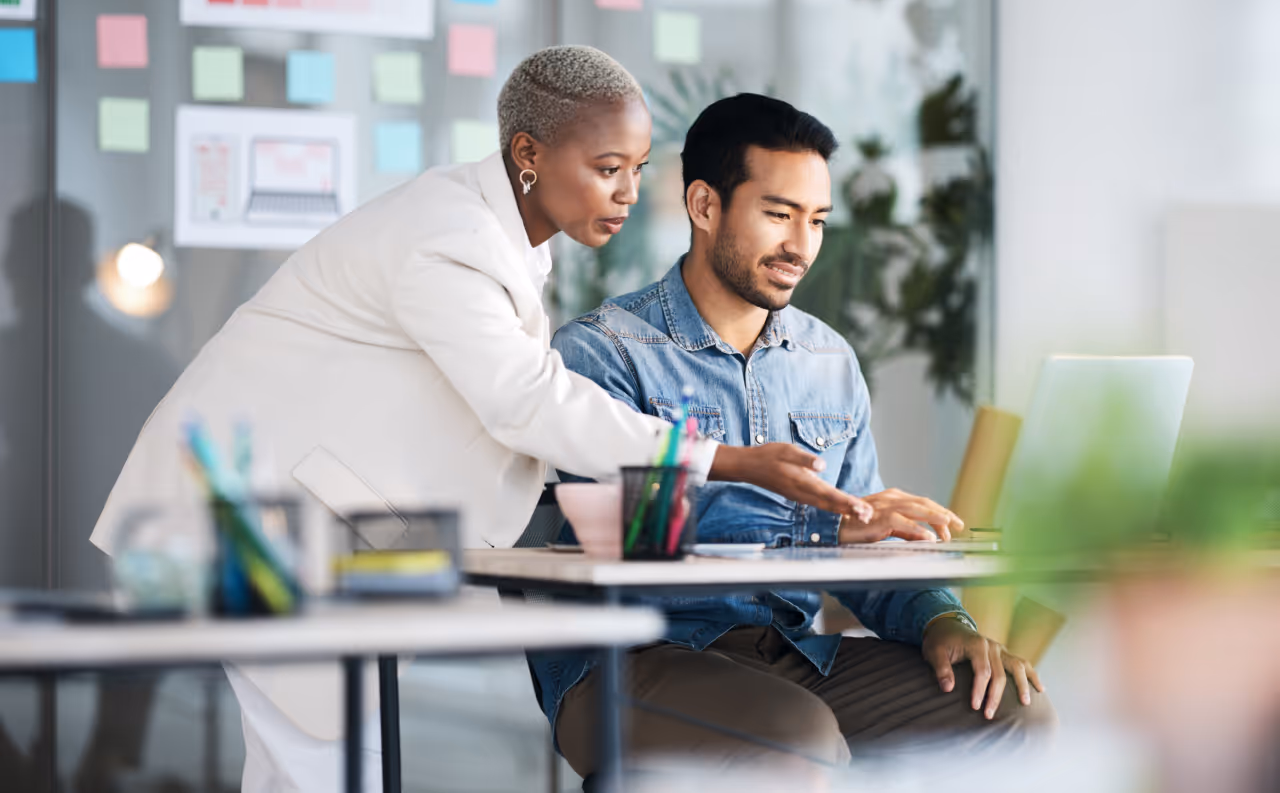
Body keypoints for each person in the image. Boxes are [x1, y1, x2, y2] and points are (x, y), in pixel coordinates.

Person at [90, 48, 870, 791]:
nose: (629, 192)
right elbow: (525, 399)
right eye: (606, 169)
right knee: (324, 766)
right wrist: (726, 459)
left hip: (301, 521)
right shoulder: (449, 236)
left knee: (318, 764)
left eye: (635, 168)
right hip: (239, 516)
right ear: (528, 152)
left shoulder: (502, 243)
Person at [536, 94, 1056, 783]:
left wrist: (943, 622)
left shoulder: (828, 361)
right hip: (630, 657)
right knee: (798, 737)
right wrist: (824, 530)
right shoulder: (603, 354)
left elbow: (867, 548)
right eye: (778, 214)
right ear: (703, 205)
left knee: (1013, 713)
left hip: (791, 654)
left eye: (816, 220)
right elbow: (636, 550)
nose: (801, 245)